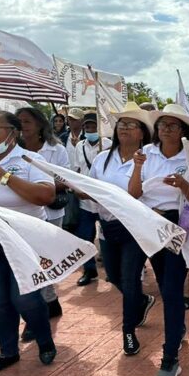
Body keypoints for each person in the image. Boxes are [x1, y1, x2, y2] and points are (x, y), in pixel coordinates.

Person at [0, 111, 57, 374]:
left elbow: (45, 196)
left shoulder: (30, 159)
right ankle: (8, 352)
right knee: (0, 302)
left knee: (24, 299)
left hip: (23, 242)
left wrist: (3, 176)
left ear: (12, 134)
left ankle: (45, 340)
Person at [129, 104, 189, 376]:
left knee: (173, 290)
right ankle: (179, 328)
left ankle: (170, 356)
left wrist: (183, 185)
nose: (165, 129)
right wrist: (138, 168)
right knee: (164, 284)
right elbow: (134, 193)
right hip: (148, 222)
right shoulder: (146, 155)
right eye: (162, 124)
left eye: (172, 125)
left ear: (183, 131)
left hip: (178, 224)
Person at [90, 102, 156, 356]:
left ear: (142, 133)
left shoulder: (149, 159)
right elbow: (93, 188)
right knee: (114, 277)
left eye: (132, 125)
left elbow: (138, 193)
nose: (125, 129)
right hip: (107, 227)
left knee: (129, 280)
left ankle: (128, 331)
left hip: (135, 228)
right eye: (122, 125)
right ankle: (141, 301)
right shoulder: (101, 158)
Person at [16, 107, 69, 340]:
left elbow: (65, 179)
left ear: (39, 125)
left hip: (50, 211)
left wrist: (38, 188)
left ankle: (39, 311)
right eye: (18, 122)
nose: (22, 126)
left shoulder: (56, 149)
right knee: (26, 263)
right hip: (21, 213)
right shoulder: (11, 151)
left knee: (43, 262)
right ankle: (46, 304)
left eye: (26, 121)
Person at [74, 112, 111, 286]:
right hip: (85, 201)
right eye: (87, 127)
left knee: (107, 237)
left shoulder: (109, 145)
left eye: (93, 126)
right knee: (85, 237)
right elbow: (77, 170)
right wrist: (75, 188)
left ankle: (112, 269)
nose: (90, 130)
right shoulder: (79, 146)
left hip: (104, 201)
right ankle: (89, 270)